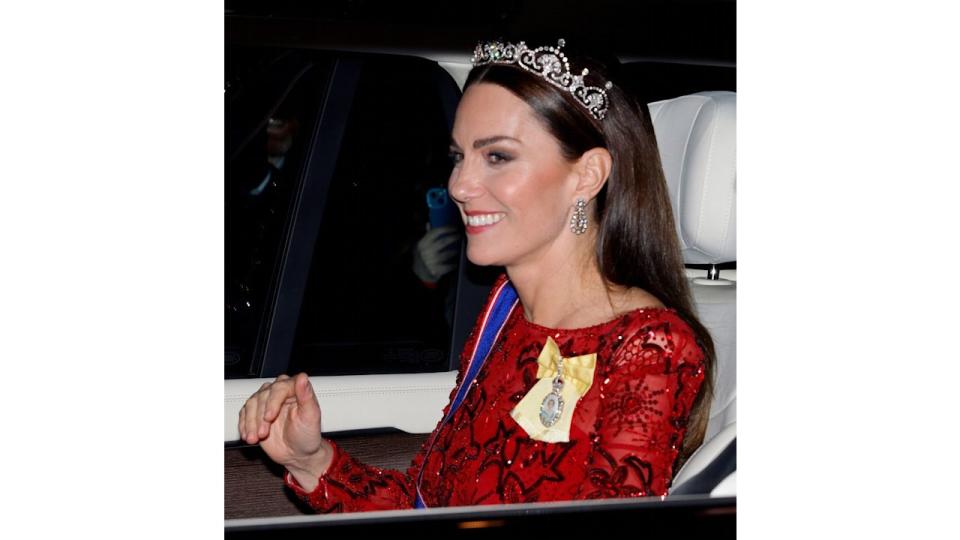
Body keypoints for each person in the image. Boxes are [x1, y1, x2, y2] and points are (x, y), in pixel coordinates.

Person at [237, 37, 716, 513]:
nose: (460, 185)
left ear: (587, 175)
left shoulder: (649, 347)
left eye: (497, 156)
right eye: (458, 156)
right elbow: (432, 507)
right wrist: (310, 459)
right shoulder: (505, 313)